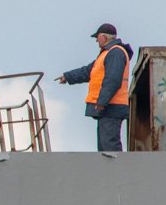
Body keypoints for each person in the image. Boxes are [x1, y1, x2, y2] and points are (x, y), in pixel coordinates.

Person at [55, 23, 134, 152]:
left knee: (109, 146)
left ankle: (117, 166)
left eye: (97, 38)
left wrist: (102, 102)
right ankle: (109, 166)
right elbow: (88, 71)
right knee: (104, 147)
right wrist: (67, 77)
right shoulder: (107, 54)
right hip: (108, 107)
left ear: (104, 37)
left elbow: (113, 80)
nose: (96, 41)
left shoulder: (115, 52)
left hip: (111, 106)